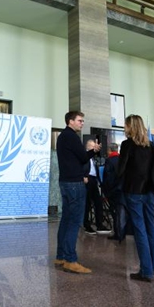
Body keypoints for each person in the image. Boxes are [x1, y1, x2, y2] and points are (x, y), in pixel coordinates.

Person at [54, 111, 100, 274]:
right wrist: (93, 151)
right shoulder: (71, 136)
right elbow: (82, 158)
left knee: (66, 219)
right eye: (79, 121)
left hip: (65, 182)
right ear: (70, 121)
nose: (82, 123)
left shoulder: (62, 136)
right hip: (74, 183)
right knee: (74, 221)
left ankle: (61, 256)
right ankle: (70, 260)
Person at [117, 115, 154, 282]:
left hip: (133, 191)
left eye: (125, 125)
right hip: (149, 192)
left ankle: (146, 271)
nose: (124, 128)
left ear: (130, 126)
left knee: (139, 230)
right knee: (151, 228)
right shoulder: (151, 145)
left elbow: (121, 169)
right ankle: (152, 266)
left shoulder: (127, 145)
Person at [102, 143, 128, 241]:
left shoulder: (109, 161)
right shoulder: (123, 160)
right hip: (123, 190)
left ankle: (118, 233)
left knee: (115, 213)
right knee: (122, 212)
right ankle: (123, 233)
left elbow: (108, 178)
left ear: (109, 150)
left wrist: (106, 191)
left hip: (113, 191)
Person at [83, 139, 109, 234]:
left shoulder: (94, 158)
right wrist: (83, 176)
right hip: (87, 179)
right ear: (88, 147)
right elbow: (80, 166)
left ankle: (99, 224)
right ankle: (86, 225)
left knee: (98, 202)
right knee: (87, 203)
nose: (95, 148)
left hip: (94, 180)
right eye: (93, 146)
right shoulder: (84, 156)